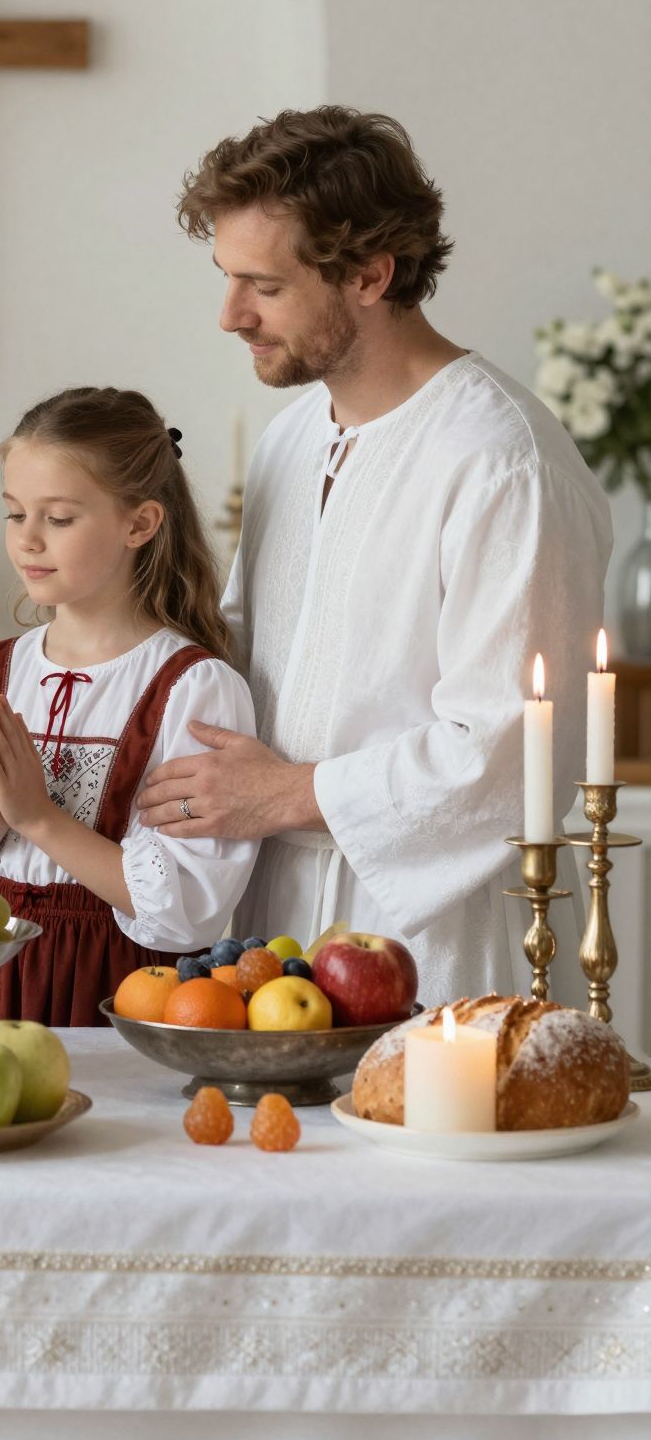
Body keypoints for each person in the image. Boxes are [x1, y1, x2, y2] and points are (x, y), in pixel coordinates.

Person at [141, 105, 612, 1002]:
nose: (230, 315)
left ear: (370, 274)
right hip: (266, 930)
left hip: (430, 938)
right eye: (226, 278)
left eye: (264, 287)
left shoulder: (503, 459)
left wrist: (284, 795)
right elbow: (245, 656)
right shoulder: (292, 439)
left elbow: (511, 748)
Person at [0, 387, 257, 1027]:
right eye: (16, 515)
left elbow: (187, 910)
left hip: (121, 989)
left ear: (140, 523)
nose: (28, 541)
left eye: (59, 519)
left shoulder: (194, 688)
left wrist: (40, 820)